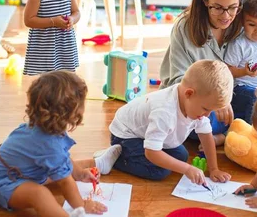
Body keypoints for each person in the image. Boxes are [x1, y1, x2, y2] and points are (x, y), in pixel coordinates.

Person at [0, 72, 123, 217]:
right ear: (67, 111)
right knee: (39, 194)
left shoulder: (45, 128)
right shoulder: (48, 143)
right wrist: (82, 205)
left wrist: (79, 174)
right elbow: (65, 182)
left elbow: (63, 158)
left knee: (59, 170)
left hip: (25, 174)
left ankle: (97, 164)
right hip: (3, 184)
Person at [95, 60, 234, 183]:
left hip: (143, 133)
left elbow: (206, 136)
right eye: (206, 109)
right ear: (189, 94)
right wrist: (187, 169)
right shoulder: (164, 111)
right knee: (160, 171)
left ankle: (125, 153)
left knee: (182, 155)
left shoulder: (196, 105)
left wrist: (214, 169)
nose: (207, 115)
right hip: (126, 135)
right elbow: (151, 153)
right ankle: (115, 157)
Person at [159, 0, 245, 144]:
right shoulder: (185, 27)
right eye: (218, 8)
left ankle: (228, 135)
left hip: (229, 100)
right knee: (202, 119)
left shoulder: (243, 24)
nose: (226, 16)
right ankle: (236, 134)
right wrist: (216, 101)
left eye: (232, 8)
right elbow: (179, 83)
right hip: (193, 101)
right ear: (205, 1)